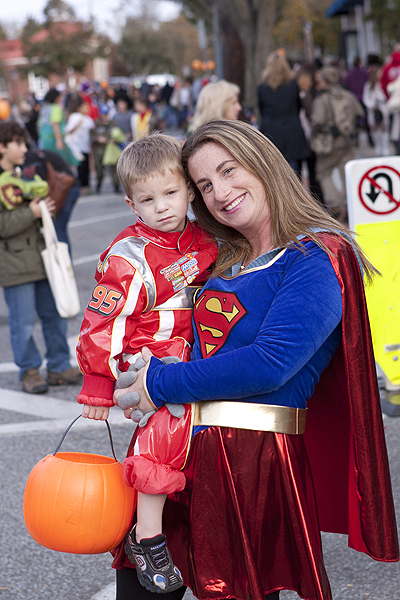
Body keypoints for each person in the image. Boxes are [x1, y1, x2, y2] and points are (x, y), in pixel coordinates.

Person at [112, 120, 399, 600]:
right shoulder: (223, 257)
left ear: (263, 163)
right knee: (139, 592)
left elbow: (270, 364)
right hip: (174, 454)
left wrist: (158, 383)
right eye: (204, 184)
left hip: (247, 464)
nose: (220, 192)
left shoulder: (316, 255)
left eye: (229, 170)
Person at [76, 133, 218, 592]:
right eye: (148, 199)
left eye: (171, 193)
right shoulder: (129, 255)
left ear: (189, 190)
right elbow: (102, 321)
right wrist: (99, 382)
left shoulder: (204, 238)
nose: (162, 207)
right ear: (130, 203)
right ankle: (149, 536)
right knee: (164, 427)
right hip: (148, 360)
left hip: (194, 355)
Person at [0, 121, 82, 394]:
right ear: (2, 147)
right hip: (14, 263)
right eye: (19, 144)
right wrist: (32, 213)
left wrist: (48, 206)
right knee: (22, 323)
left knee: (55, 314)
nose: (25, 148)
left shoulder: (25, 175)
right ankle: (30, 371)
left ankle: (59, 365)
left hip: (42, 256)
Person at [310, 66, 364, 222]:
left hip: (330, 143)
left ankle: (334, 204)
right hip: (348, 141)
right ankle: (349, 206)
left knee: (323, 171)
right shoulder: (348, 95)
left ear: (325, 81)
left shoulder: (322, 99)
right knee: (346, 174)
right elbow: (360, 112)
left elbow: (317, 121)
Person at [258, 51, 311, 176]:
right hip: (292, 130)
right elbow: (298, 106)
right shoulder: (292, 86)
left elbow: (262, 109)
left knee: (275, 172)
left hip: (271, 131)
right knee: (294, 172)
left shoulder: (262, 88)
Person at [38, 87, 79, 168]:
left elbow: (39, 125)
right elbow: (55, 124)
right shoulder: (56, 108)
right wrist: (59, 140)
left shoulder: (44, 109)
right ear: (56, 98)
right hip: (54, 139)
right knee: (63, 163)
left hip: (45, 140)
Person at [65, 96, 95, 193]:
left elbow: (92, 131)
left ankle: (86, 186)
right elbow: (68, 130)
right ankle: (81, 187)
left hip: (85, 146)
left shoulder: (89, 119)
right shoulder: (75, 117)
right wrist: (77, 124)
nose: (86, 109)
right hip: (76, 147)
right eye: (84, 107)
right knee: (80, 167)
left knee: (86, 168)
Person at [363, 65, 391, 156]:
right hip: (373, 110)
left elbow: (386, 95)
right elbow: (366, 98)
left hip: (382, 109)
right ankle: (378, 146)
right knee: (374, 128)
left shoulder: (382, 83)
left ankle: (385, 146)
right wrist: (371, 104)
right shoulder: (368, 85)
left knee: (384, 128)